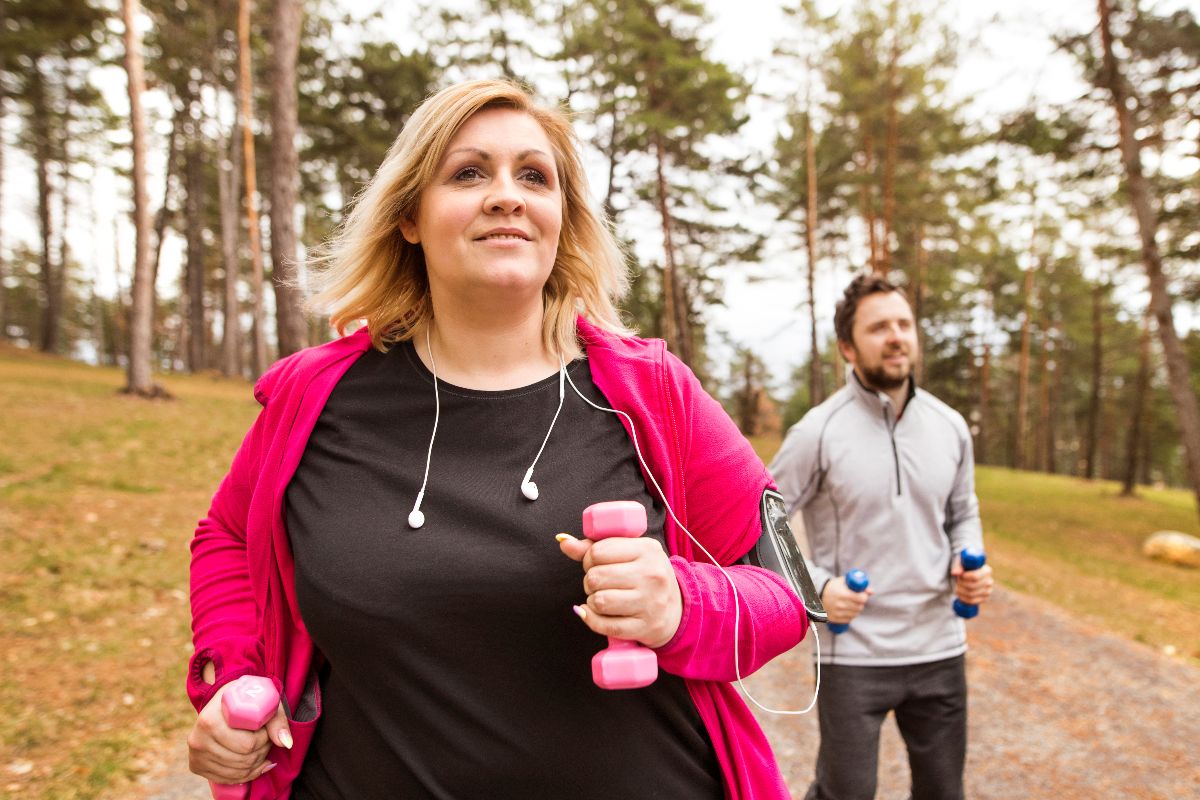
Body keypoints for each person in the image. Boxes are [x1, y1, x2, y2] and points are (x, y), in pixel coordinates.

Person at [186, 78, 810, 800]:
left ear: (561, 220)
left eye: (534, 177)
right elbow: (227, 536)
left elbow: (787, 594)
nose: (507, 195)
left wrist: (681, 606)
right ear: (410, 218)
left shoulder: (652, 391)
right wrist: (235, 680)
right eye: (469, 172)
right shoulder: (312, 398)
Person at [769, 272, 994, 800]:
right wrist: (817, 589)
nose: (896, 336)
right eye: (878, 328)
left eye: (903, 324)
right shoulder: (817, 432)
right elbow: (765, 524)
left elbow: (963, 511)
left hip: (939, 646)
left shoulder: (951, 426)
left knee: (944, 793)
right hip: (854, 656)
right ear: (848, 346)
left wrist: (968, 560)